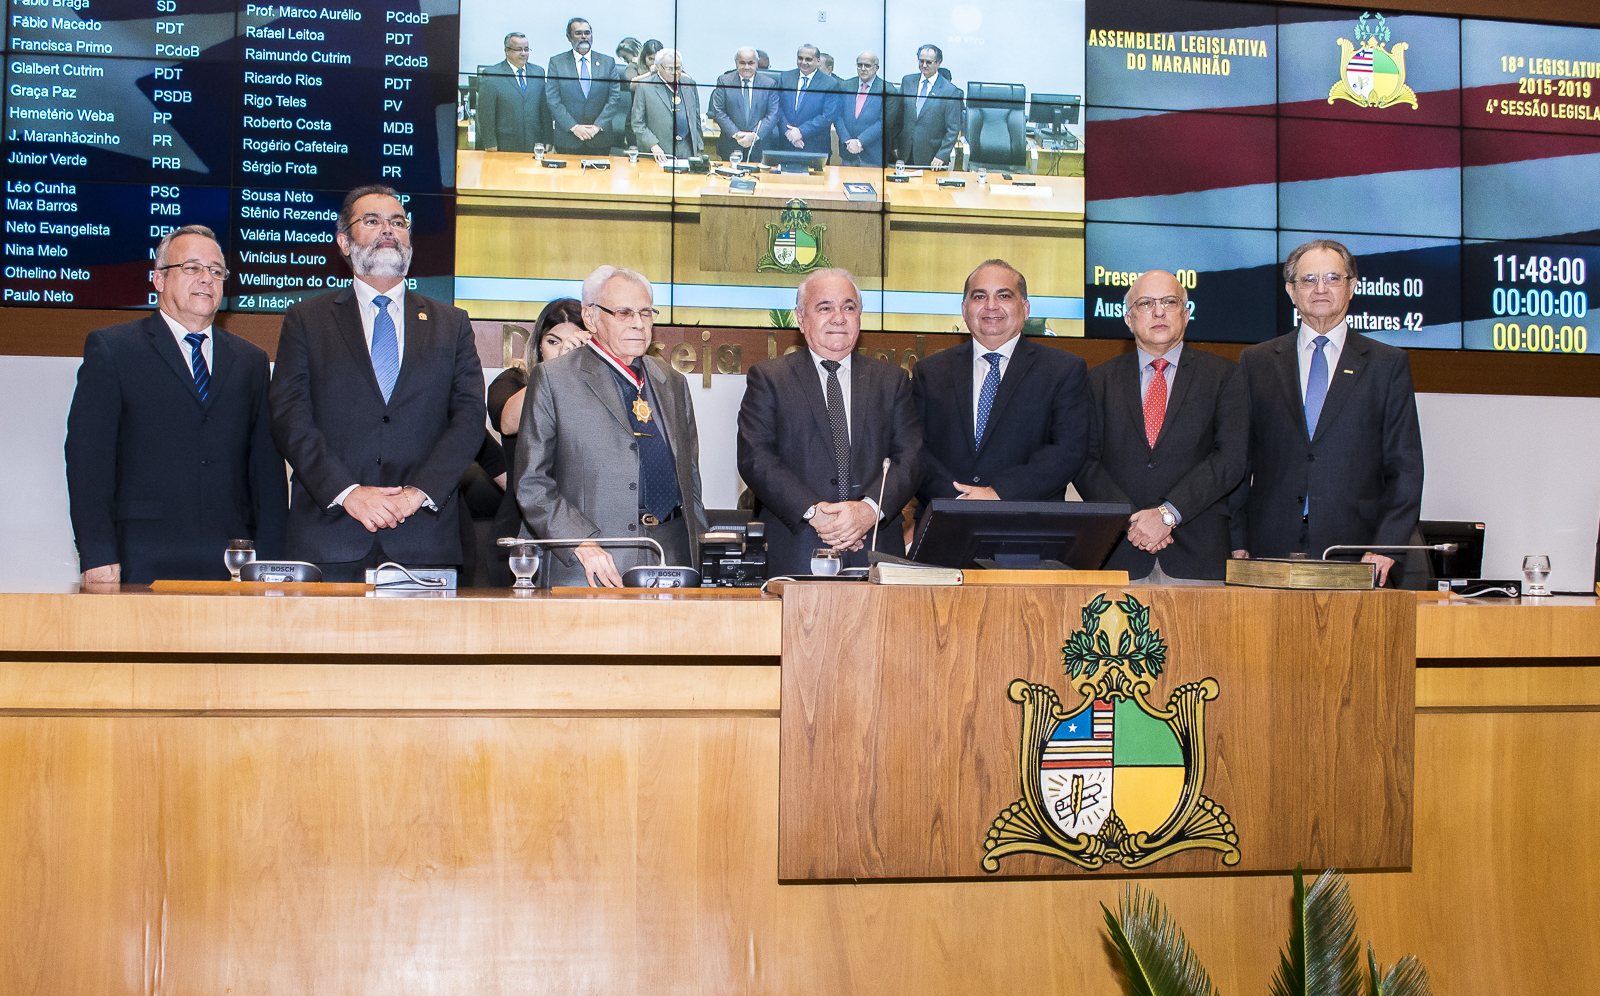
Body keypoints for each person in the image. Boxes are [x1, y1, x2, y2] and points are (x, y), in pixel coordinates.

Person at [269, 185, 486, 581]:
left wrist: (416, 495)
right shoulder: (306, 320)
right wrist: (349, 493)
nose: (388, 229)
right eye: (372, 221)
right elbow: (290, 417)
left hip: (424, 539)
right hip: (329, 538)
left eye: (398, 222)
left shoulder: (451, 324)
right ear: (345, 242)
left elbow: (470, 418)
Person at [65, 225, 287, 584]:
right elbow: (88, 461)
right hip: (140, 557)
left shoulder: (251, 360)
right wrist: (97, 553)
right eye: (191, 268)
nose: (206, 279)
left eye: (216, 271)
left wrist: (274, 563)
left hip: (231, 562)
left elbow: (267, 471)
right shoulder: (113, 349)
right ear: (158, 279)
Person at [1232, 239, 1425, 586]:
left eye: (1333, 278)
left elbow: (1405, 467)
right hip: (1268, 547)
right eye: (1308, 280)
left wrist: (1386, 545)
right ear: (1291, 291)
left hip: (1356, 548)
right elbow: (1237, 461)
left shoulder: (1387, 364)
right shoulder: (1256, 362)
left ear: (1352, 286)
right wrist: (1237, 540)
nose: (1320, 289)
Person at [516, 266, 707, 587]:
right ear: (590, 318)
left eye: (646, 313)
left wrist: (698, 546)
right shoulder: (555, 379)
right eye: (623, 312)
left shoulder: (671, 381)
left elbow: (690, 478)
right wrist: (579, 542)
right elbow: (532, 483)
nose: (638, 323)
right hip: (590, 561)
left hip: (672, 557)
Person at [737, 268, 922, 577]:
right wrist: (816, 513)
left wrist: (868, 510)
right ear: (800, 317)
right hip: (798, 548)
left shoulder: (892, 381)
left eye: (849, 307)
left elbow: (911, 458)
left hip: (874, 548)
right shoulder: (769, 378)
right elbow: (756, 458)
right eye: (825, 307)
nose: (839, 317)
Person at [1075, 270, 1248, 580]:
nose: (1158, 311)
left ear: (1186, 312)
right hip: (1118, 552)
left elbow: (1230, 460)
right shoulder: (1096, 380)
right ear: (1129, 319)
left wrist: (1168, 514)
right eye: (1145, 303)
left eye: (1169, 301)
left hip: (1198, 556)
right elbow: (1085, 463)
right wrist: (1134, 521)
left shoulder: (1225, 376)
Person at [911, 260, 1089, 511]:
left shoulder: (1063, 370)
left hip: (1026, 529)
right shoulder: (929, 372)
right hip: (945, 523)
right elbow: (915, 449)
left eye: (1004, 296)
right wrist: (960, 500)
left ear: (1025, 308)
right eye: (979, 296)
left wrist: (998, 494)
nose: (991, 306)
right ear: (965, 308)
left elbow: (1067, 451)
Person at [486, 299, 589, 586]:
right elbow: (507, 421)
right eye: (553, 341)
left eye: (572, 344)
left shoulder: (598, 392)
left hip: (583, 529)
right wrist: (556, 370)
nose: (561, 349)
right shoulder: (514, 381)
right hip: (522, 532)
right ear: (538, 345)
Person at [545, 17, 627, 155]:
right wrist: (574, 127)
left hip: (599, 139)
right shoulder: (557, 63)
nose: (584, 37)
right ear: (569, 37)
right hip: (568, 139)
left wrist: (597, 127)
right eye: (578, 33)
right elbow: (553, 100)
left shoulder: (608, 63)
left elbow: (614, 99)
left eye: (587, 33)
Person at [476, 32, 548, 153]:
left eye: (526, 49)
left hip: (534, 143)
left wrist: (548, 139)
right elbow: (485, 115)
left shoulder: (538, 72)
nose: (524, 53)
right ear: (507, 51)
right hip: (504, 144)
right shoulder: (492, 75)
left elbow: (544, 110)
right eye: (518, 49)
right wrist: (490, 144)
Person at [708, 47, 779, 162]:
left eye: (751, 63)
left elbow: (773, 114)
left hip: (759, 147)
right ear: (736, 63)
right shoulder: (724, 81)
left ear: (757, 64)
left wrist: (754, 136)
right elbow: (718, 111)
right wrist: (736, 134)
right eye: (742, 63)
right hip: (731, 145)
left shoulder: (769, 84)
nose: (746, 67)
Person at [630, 48, 703, 159]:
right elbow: (638, 123)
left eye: (678, 68)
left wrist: (699, 147)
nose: (675, 72)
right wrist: (653, 145)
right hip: (659, 150)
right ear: (658, 67)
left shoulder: (689, 84)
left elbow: (696, 118)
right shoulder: (645, 87)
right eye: (670, 69)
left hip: (687, 149)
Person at [899, 44, 962, 167]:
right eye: (921, 61)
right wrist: (894, 146)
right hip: (905, 153)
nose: (924, 65)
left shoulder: (950, 91)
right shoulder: (907, 82)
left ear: (939, 62)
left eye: (928, 62)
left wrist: (941, 155)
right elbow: (898, 117)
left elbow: (953, 129)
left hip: (932, 157)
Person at [775, 44, 839, 157]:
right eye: (800, 58)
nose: (803, 62)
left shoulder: (830, 84)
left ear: (818, 61)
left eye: (808, 59)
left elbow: (828, 116)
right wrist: (789, 133)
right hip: (786, 144)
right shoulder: (785, 77)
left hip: (814, 147)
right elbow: (777, 108)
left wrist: (801, 132)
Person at [837, 51, 898, 168]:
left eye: (868, 65)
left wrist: (859, 141)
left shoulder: (888, 90)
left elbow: (884, 123)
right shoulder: (845, 86)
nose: (863, 69)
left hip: (873, 156)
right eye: (860, 65)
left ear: (876, 68)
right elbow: (838, 116)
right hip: (848, 152)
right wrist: (847, 140)